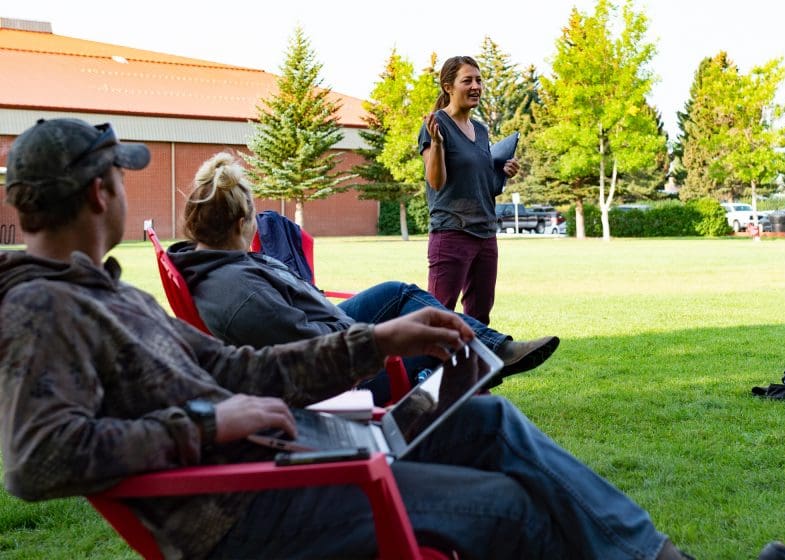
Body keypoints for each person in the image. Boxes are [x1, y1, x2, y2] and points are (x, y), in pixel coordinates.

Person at [0, 118, 698, 560]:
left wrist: (379, 342)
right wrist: (208, 421)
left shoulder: (108, 295)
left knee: (485, 420)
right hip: (245, 514)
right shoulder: (43, 309)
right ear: (100, 194)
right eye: (121, 175)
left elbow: (240, 366)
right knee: (506, 508)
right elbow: (37, 460)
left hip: (279, 464)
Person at [166, 152, 558, 402]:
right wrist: (377, 339)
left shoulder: (218, 262)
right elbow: (311, 351)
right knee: (444, 349)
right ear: (241, 221)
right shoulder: (239, 293)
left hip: (334, 331)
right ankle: (488, 365)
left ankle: (492, 351)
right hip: (340, 377)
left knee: (398, 293)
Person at [419, 55, 515, 325]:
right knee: (439, 315)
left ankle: (474, 367)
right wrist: (437, 144)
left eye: (479, 80)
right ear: (448, 86)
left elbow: (486, 188)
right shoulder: (436, 124)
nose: (476, 86)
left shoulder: (481, 131)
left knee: (480, 315)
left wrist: (501, 173)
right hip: (452, 232)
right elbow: (436, 182)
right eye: (467, 80)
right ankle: (428, 368)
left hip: (485, 233)